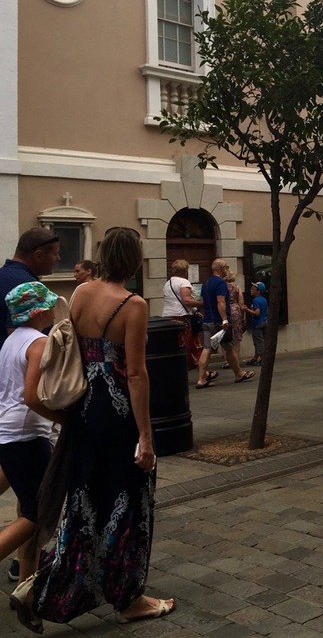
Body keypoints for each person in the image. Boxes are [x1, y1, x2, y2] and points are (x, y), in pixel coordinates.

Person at [22, 227, 176, 629]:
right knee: (129, 501)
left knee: (85, 500)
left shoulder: (82, 293)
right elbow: (137, 375)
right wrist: (145, 435)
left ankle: (49, 588)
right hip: (118, 412)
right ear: (135, 259)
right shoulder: (133, 304)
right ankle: (129, 597)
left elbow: (73, 346)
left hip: (84, 408)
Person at [0, 283, 65, 633]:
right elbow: (31, 396)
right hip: (27, 436)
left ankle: (28, 588)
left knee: (33, 512)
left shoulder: (12, 340)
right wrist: (64, 420)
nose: (55, 311)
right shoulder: (38, 343)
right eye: (51, 306)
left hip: (8, 435)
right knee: (36, 512)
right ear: (38, 312)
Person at [195, 259, 254, 388]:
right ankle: (239, 374)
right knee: (229, 348)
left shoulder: (206, 283)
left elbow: (203, 301)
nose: (227, 269)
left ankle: (201, 379)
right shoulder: (221, 283)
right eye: (226, 267)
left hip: (207, 320)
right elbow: (220, 302)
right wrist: (225, 319)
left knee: (206, 349)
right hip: (218, 322)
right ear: (221, 268)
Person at [0, 228, 61, 352]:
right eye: (55, 254)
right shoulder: (29, 288)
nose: (58, 259)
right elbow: (22, 340)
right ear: (39, 255)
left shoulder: (3, 275)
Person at [161, 258, 203, 370]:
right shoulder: (184, 282)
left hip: (168, 316)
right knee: (190, 343)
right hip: (181, 317)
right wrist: (201, 303)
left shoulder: (168, 283)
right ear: (185, 271)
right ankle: (196, 367)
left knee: (176, 344)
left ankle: (177, 366)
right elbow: (187, 300)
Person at [243, 282, 269, 367]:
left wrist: (246, 310)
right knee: (262, 340)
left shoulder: (255, 300)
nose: (251, 290)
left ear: (258, 291)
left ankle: (263, 359)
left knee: (258, 342)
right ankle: (255, 358)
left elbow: (257, 313)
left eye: (253, 289)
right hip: (264, 321)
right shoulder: (264, 299)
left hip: (257, 323)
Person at [223, 270, 245, 369]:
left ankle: (226, 361)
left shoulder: (222, 287)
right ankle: (236, 360)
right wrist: (242, 315)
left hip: (225, 310)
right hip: (235, 311)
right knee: (237, 337)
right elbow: (241, 302)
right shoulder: (236, 287)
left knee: (226, 336)